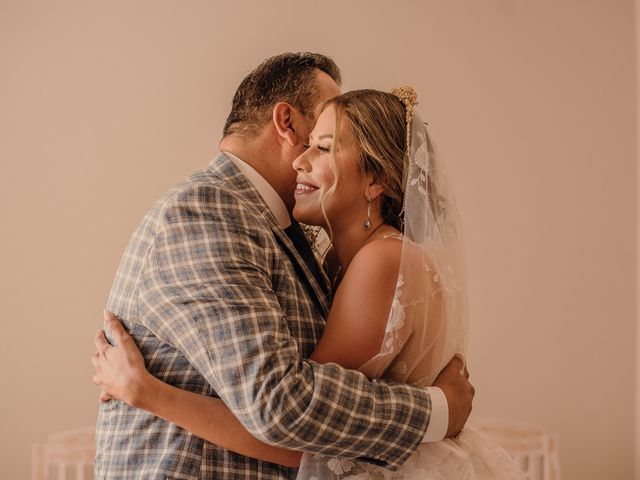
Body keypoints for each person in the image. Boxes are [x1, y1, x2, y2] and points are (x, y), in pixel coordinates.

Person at [94, 86, 522, 479]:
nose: (300, 159)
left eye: (322, 147)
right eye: (308, 142)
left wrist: (147, 392)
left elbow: (300, 433)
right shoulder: (339, 257)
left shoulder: (383, 260)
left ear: (376, 181)